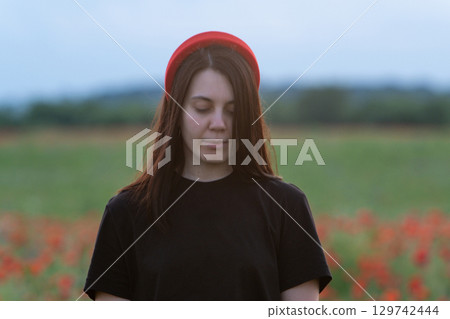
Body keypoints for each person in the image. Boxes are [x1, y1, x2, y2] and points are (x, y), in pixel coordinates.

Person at [83, 31, 332, 301]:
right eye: (202, 108)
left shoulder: (287, 207)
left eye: (233, 111)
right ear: (175, 113)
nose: (219, 123)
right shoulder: (125, 213)